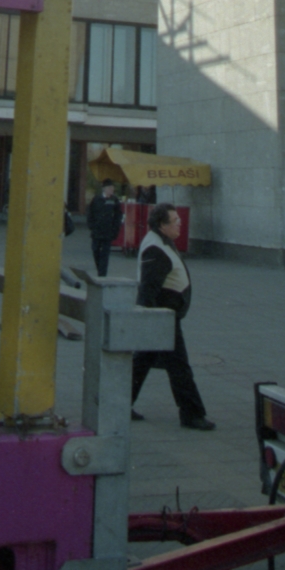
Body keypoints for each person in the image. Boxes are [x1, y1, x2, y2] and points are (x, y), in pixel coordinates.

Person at [131, 202, 214, 431]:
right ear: (161, 225)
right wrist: (148, 321)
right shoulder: (155, 249)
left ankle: (118, 404)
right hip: (162, 318)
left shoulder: (161, 241)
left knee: (142, 362)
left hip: (161, 316)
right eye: (175, 220)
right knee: (179, 367)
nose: (180, 223)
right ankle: (192, 414)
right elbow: (147, 290)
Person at [87, 178, 123, 276]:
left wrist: (115, 230)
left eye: (113, 188)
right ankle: (100, 269)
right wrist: (91, 225)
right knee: (95, 250)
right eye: (110, 188)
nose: (112, 190)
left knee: (105, 253)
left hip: (108, 232)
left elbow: (118, 216)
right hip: (97, 231)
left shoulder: (114, 200)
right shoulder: (96, 199)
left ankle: (102, 274)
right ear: (104, 189)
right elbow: (90, 213)